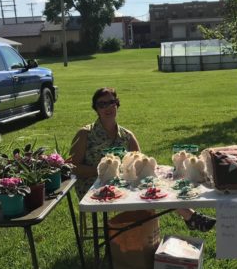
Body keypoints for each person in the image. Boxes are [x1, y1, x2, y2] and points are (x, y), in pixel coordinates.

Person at [70, 87, 216, 232]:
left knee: (152, 182)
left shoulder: (127, 135)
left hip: (123, 183)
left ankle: (188, 216)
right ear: (96, 108)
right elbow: (72, 167)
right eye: (102, 104)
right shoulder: (85, 134)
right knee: (148, 185)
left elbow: (141, 164)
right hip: (94, 186)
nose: (108, 107)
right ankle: (188, 218)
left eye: (111, 102)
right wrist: (103, 172)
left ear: (117, 104)